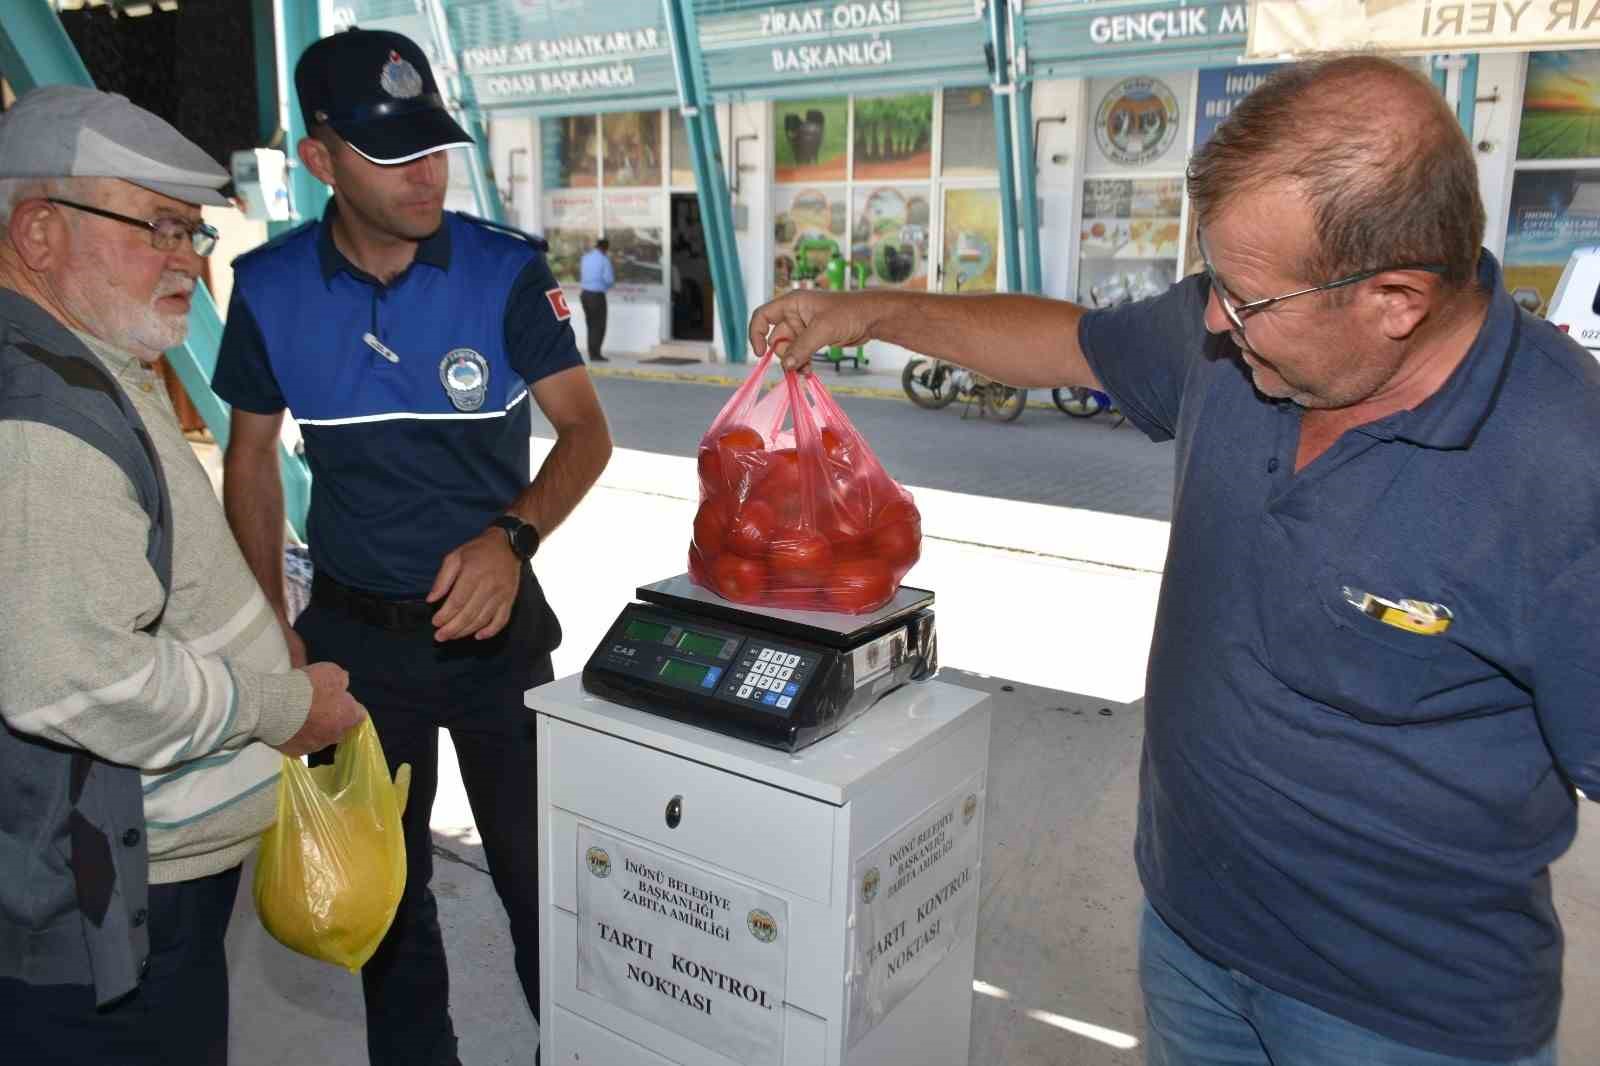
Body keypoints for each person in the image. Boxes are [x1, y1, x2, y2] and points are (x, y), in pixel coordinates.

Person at [751, 56, 1597, 1065]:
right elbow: (1070, 345)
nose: (1209, 323)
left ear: (1395, 298)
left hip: (1401, 1020)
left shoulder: (1563, 468)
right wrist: (874, 312)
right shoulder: (1246, 344)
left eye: (1241, 299)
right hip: (1187, 938)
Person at [212, 28, 612, 1066]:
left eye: (433, 147)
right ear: (321, 160)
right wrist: (272, 630)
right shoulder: (265, 290)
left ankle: (564, 1049)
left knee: (540, 884)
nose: (426, 173)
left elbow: (586, 431)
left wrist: (510, 538)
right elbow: (249, 461)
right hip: (355, 639)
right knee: (383, 891)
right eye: (393, 153)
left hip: (498, 644)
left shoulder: (504, 273)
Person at [0, 86, 364, 1065]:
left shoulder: (83, 356)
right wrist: (280, 708)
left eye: (189, 231)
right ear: (38, 231)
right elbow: (78, 677)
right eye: (154, 229)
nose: (186, 260)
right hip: (99, 918)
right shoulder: (42, 421)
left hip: (123, 880)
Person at [579, 236, 615, 361]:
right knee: (599, 325)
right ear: (605, 248)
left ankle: (592, 352)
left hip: (584, 294)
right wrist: (606, 286)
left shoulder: (586, 257)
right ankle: (596, 354)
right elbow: (609, 279)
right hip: (597, 296)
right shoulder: (604, 259)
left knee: (590, 324)